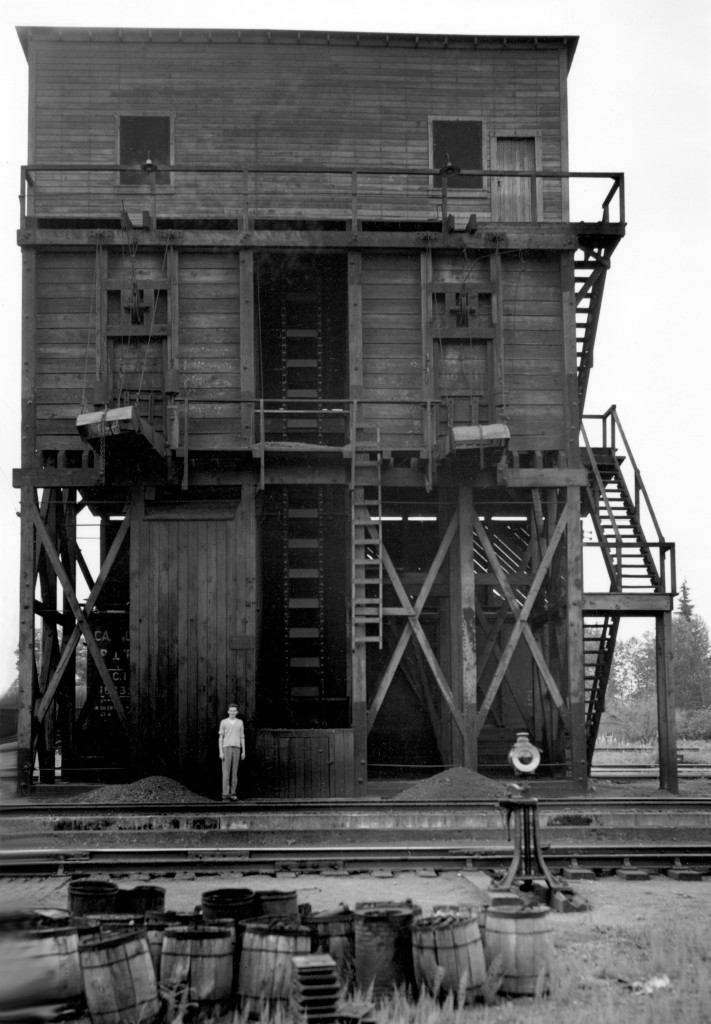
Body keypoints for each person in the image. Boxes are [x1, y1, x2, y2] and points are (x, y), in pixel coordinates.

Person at [218, 702, 246, 801]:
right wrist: (221, 752)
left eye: (234, 711)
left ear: (237, 712)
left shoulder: (240, 722)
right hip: (226, 748)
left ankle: (233, 793)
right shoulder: (224, 722)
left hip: (237, 748)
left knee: (234, 772)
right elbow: (220, 738)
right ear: (228, 712)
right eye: (231, 711)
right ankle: (225, 794)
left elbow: (242, 737)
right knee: (226, 772)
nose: (232, 712)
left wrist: (243, 751)